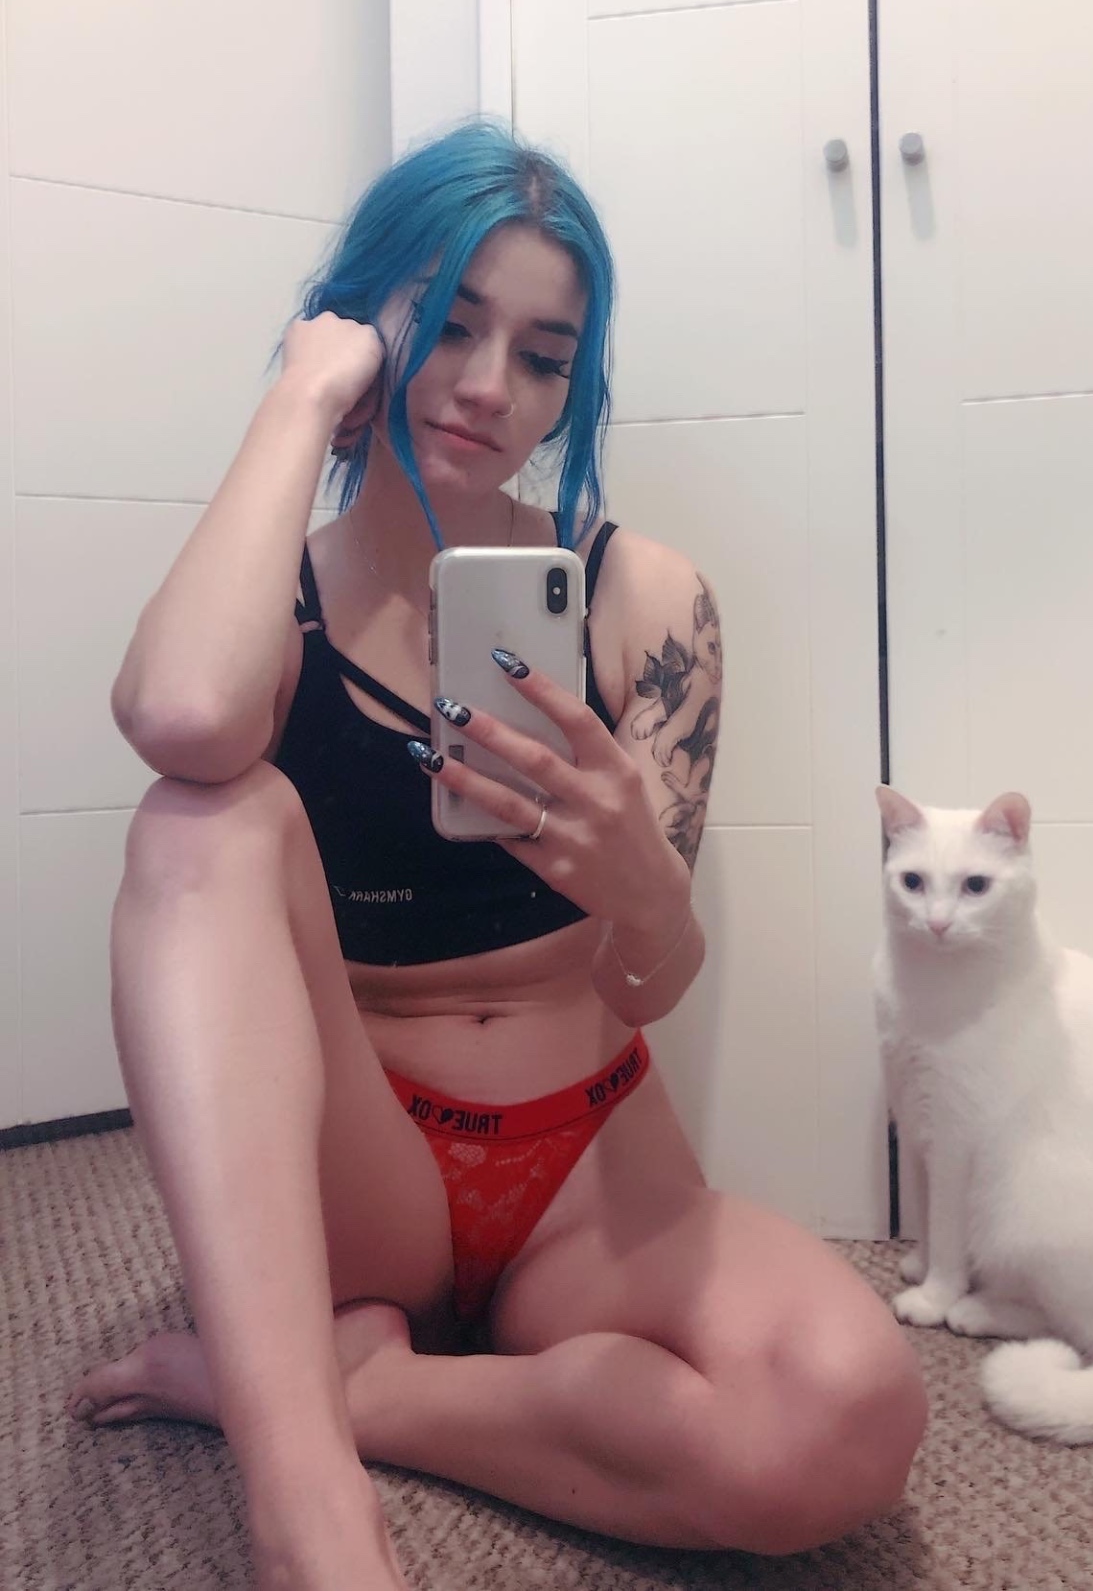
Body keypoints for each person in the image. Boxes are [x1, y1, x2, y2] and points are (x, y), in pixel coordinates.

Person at [66, 122, 928, 1591]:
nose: (487, 386)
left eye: (541, 356)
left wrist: (641, 889)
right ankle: (310, 1514)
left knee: (845, 1420)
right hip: (361, 1174)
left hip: (586, 1162)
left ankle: (340, 1391)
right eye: (449, 324)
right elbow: (183, 716)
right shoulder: (272, 606)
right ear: (361, 320)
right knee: (199, 818)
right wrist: (303, 394)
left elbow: (650, 987)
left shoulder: (643, 600)